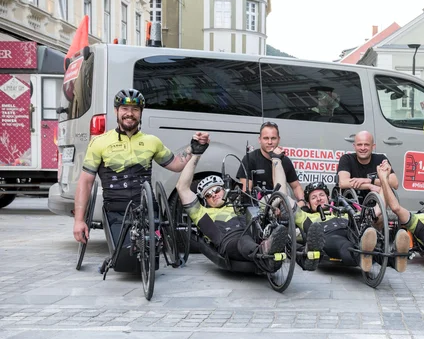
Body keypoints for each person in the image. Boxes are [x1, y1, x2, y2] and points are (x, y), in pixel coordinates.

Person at [72, 88, 209, 270]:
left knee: (149, 260)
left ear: (141, 112)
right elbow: (85, 182)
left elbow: (176, 164)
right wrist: (79, 220)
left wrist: (194, 148)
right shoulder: (99, 143)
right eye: (124, 109)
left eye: (135, 109)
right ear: (116, 111)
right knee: (126, 261)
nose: (130, 113)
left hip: (145, 207)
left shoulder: (152, 141)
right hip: (116, 208)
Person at [274, 152, 409, 273]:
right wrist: (277, 161)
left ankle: (394, 259)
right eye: (314, 198)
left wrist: (383, 177)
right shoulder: (306, 216)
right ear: (308, 204)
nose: (319, 199)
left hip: (351, 229)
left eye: (322, 195)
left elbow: (377, 209)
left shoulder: (343, 211)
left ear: (329, 198)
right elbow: (283, 197)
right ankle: (362, 255)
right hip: (328, 235)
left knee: (364, 235)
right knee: (345, 245)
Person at [175, 139, 292, 273]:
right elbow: (182, 188)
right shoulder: (201, 213)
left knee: (276, 200)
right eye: (208, 195)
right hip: (229, 242)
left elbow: (280, 194)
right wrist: (197, 154)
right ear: (205, 200)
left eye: (217, 190)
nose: (214, 195)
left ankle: (303, 253)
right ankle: (265, 252)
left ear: (224, 190)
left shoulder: (239, 203)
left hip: (255, 235)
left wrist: (276, 160)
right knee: (243, 240)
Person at [236, 121, 306, 209]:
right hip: (259, 207)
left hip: (281, 206)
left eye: (273, 138)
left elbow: (296, 186)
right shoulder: (250, 159)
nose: (270, 142)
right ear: (259, 140)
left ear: (278, 139)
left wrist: (302, 201)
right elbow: (246, 191)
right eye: (266, 138)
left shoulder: (285, 160)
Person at [337, 130, 398, 202]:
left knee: (384, 189)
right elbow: (343, 183)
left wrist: (370, 180)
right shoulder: (346, 159)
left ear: (373, 146)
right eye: (359, 145)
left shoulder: (381, 159)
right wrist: (369, 186)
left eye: (366, 145)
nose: (363, 148)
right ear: (354, 146)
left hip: (375, 206)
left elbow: (394, 183)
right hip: (351, 206)